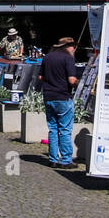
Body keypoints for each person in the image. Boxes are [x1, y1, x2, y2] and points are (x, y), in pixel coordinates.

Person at [38, 36, 78, 168]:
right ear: (67, 46)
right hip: (63, 97)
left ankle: (53, 159)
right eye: (73, 46)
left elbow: (40, 77)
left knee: (53, 129)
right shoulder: (68, 58)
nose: (75, 49)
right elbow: (72, 80)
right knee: (65, 129)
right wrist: (79, 83)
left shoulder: (47, 57)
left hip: (49, 97)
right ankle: (66, 160)